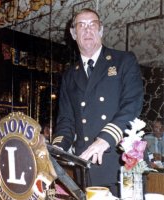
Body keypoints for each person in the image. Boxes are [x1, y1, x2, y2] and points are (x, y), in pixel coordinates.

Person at [52, 8, 143, 197]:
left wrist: (105, 139)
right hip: (83, 166)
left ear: (101, 31)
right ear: (73, 33)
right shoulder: (70, 75)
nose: (88, 30)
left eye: (93, 25)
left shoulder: (123, 61)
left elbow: (132, 105)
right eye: (81, 26)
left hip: (117, 163)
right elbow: (66, 119)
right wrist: (58, 148)